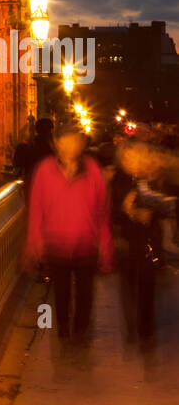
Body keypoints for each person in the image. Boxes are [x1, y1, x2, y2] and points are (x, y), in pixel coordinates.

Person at [24, 119, 114, 344]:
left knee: (85, 294)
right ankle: (63, 328)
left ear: (82, 143)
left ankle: (81, 330)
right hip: (57, 244)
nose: (70, 146)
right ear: (56, 143)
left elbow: (102, 212)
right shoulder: (45, 170)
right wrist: (34, 244)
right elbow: (37, 210)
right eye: (65, 141)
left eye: (75, 141)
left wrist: (106, 245)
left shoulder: (92, 170)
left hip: (86, 243)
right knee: (61, 293)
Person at [112, 139, 178, 349]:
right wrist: (128, 212)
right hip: (126, 243)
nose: (133, 161)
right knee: (130, 286)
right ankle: (133, 325)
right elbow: (110, 210)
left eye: (137, 156)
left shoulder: (151, 178)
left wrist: (153, 210)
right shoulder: (118, 179)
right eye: (128, 157)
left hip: (150, 243)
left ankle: (146, 331)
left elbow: (168, 204)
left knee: (147, 287)